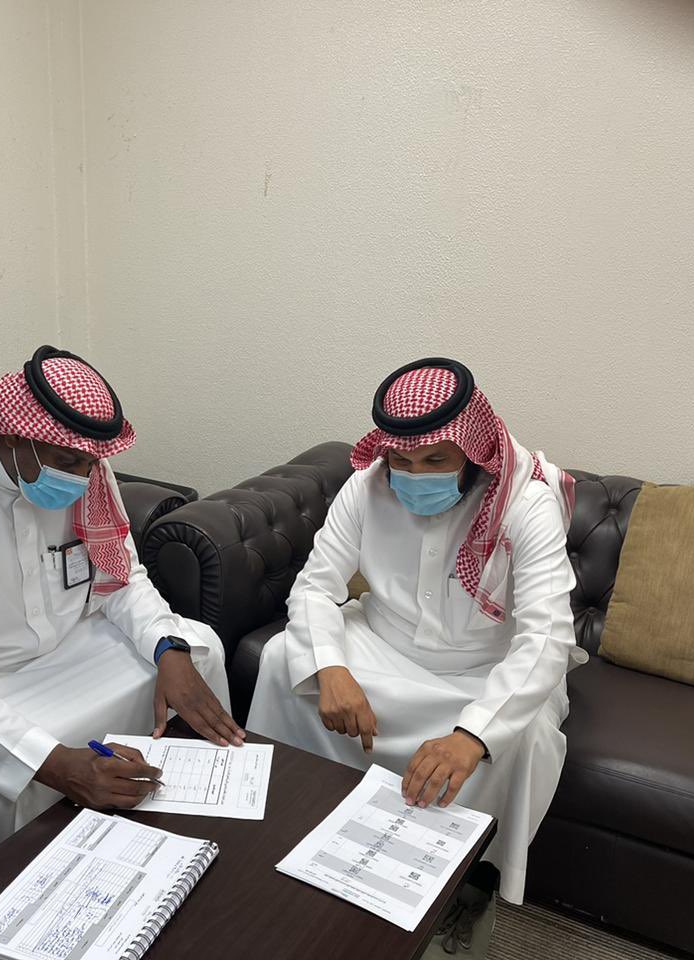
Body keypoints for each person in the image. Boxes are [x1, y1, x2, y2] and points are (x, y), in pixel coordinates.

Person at [248, 357, 583, 954]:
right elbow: (315, 587)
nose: (412, 475)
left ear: (474, 454)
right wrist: (331, 668)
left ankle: (469, 884)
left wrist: (472, 736)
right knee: (281, 659)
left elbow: (546, 638)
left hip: (484, 668)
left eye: (434, 461)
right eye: (400, 461)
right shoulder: (366, 486)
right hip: (383, 644)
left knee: (528, 734)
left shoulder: (525, 503)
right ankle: (299, 821)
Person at [0, 346, 239, 845]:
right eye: (68, 461)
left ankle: (199, 819)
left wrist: (168, 647)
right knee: (3, 787)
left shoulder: (84, 470)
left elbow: (121, 579)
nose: (82, 477)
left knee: (199, 647)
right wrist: (57, 764)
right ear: (14, 434)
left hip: (72, 644)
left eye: (90, 462)